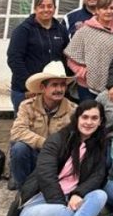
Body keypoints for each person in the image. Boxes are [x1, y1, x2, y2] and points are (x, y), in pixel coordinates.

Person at [10, 100, 113, 216]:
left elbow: (97, 176)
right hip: (40, 201)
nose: (89, 122)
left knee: (100, 195)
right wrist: (61, 204)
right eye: (85, 117)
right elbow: (46, 174)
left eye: (94, 118)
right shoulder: (57, 139)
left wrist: (78, 194)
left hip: (72, 199)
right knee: (64, 214)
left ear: (100, 121)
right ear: (77, 118)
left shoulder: (100, 145)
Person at [9, 61, 76, 189]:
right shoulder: (27, 106)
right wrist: (44, 143)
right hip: (34, 155)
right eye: (54, 85)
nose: (59, 89)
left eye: (62, 85)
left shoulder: (73, 110)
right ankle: (24, 190)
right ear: (43, 88)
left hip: (57, 159)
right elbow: (16, 132)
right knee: (18, 148)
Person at [7, 0, 69, 112]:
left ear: (55, 8)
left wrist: (63, 84)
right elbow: (14, 59)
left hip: (54, 90)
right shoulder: (23, 30)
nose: (46, 9)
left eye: (50, 6)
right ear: (35, 8)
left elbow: (66, 57)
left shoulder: (61, 30)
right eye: (42, 6)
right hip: (27, 92)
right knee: (26, 127)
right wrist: (30, 86)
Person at [64, 0, 113, 102]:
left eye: (111, 8)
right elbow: (70, 57)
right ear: (97, 10)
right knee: (89, 116)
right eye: (104, 8)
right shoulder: (84, 30)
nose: (108, 11)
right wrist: (82, 72)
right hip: (87, 87)